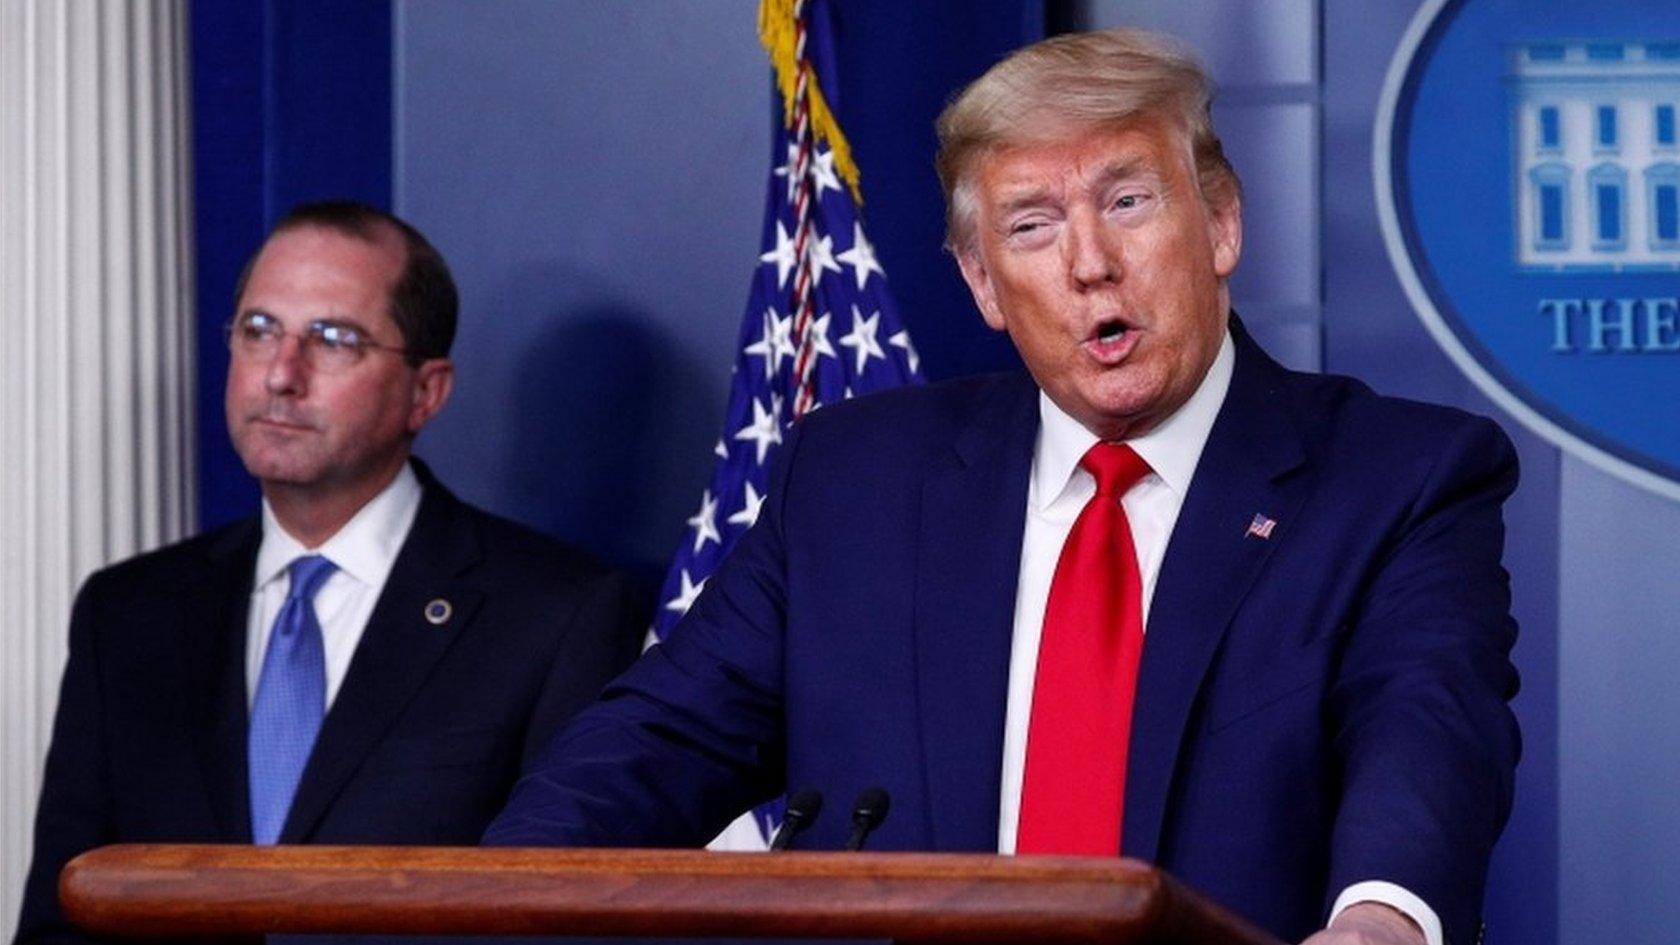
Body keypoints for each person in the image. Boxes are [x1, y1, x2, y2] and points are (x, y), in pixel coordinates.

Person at [484, 29, 1519, 945]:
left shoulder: (1394, 479)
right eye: (1030, 226)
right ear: (982, 281)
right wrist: (487, 900)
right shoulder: (854, 481)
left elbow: (1426, 727)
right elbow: (660, 743)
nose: (1089, 263)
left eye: (1127, 201)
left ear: (1220, 226)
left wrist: (1381, 919)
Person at [16, 201, 645, 944]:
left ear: (427, 391)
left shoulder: (555, 614)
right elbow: (62, 916)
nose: (281, 373)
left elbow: (559, 923)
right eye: (259, 330)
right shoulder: (127, 613)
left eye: (334, 339)